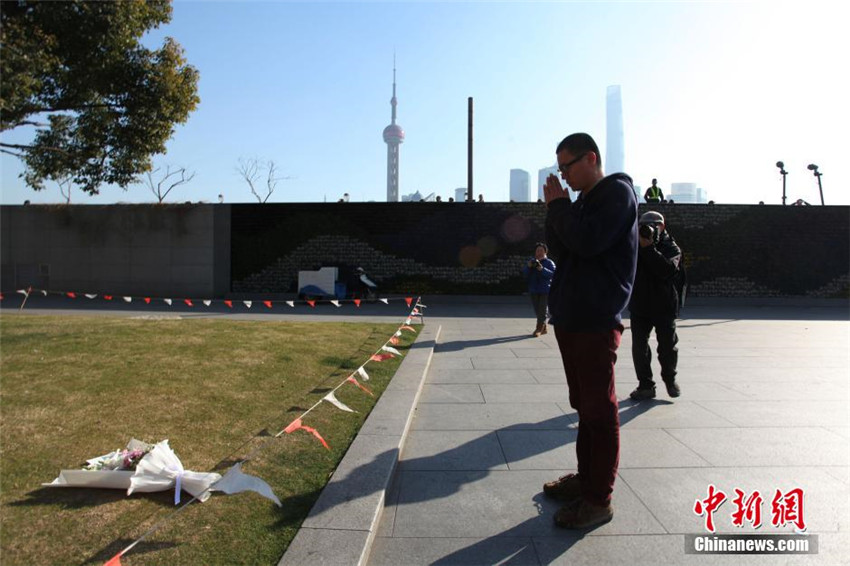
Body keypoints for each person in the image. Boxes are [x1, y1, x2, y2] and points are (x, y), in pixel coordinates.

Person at [541, 133, 638, 529]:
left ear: (591, 158)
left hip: (595, 319)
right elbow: (562, 248)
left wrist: (560, 207)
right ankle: (586, 479)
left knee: (600, 410)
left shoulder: (616, 194)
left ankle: (598, 500)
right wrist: (556, 210)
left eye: (567, 165)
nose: (563, 174)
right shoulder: (581, 202)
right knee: (585, 405)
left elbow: (586, 241)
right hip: (572, 317)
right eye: (559, 168)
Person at [628, 211, 683, 400]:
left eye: (654, 225)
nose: (649, 229)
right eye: (644, 226)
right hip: (640, 304)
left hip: (664, 305)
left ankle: (670, 380)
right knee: (639, 347)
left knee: (668, 346)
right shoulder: (633, 246)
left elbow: (666, 270)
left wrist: (649, 249)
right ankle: (645, 385)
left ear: (663, 226)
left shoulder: (671, 247)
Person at [522, 242, 556, 337]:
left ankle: (538, 329)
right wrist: (528, 267)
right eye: (537, 251)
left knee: (542, 310)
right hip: (534, 289)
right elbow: (525, 275)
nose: (539, 252)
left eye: (541, 250)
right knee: (537, 310)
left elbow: (554, 274)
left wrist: (542, 269)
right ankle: (544, 328)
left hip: (545, 290)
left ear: (545, 252)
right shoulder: (532, 262)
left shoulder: (549, 262)